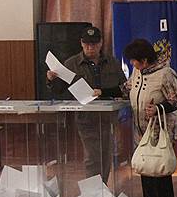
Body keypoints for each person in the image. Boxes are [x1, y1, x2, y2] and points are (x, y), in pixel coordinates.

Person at [46, 26, 126, 180]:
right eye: (87, 44)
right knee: (93, 156)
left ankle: (101, 187)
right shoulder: (72, 63)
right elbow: (58, 90)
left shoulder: (112, 62)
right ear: (81, 43)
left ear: (101, 43)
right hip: (85, 118)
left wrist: (106, 92)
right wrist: (51, 80)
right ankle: (92, 190)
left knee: (106, 156)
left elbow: (123, 87)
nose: (90, 48)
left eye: (94, 44)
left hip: (108, 118)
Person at [122, 38, 177, 197]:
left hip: (161, 129)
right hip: (141, 129)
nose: (132, 64)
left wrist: (158, 108)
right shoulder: (137, 72)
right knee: (145, 168)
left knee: (160, 170)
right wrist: (102, 92)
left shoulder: (165, 74)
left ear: (145, 60)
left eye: (134, 60)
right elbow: (126, 89)